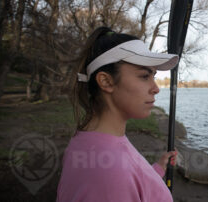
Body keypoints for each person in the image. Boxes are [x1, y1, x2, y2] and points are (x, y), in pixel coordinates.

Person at [57, 27, 179, 202]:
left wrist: (157, 169)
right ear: (106, 81)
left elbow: (129, 183)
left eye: (154, 76)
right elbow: (116, 181)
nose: (156, 88)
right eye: (144, 76)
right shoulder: (109, 171)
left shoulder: (90, 141)